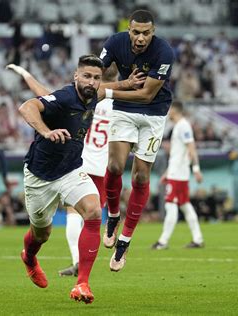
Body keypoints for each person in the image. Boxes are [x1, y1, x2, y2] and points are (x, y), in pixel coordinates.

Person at [17, 54, 132, 304]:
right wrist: (47, 132)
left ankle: (82, 283)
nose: (91, 82)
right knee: (42, 234)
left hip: (71, 170)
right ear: (76, 76)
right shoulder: (64, 97)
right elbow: (27, 106)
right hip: (40, 176)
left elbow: (113, 87)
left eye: (96, 78)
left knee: (92, 212)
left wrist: (129, 82)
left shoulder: (96, 94)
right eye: (87, 76)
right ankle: (29, 257)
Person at [99, 9, 175, 272]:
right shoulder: (115, 43)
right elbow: (96, 73)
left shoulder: (164, 52)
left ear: (152, 32)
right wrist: (107, 85)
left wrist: (108, 93)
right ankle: (112, 215)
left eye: (146, 33)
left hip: (154, 114)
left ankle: (124, 242)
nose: (140, 38)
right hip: (124, 111)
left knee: (141, 179)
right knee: (114, 167)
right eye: (135, 32)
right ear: (128, 29)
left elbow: (145, 96)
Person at [151, 101, 204, 250]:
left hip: (178, 174)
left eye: (170, 110)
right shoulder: (179, 127)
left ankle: (163, 241)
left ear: (176, 110)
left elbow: (191, 147)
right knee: (185, 206)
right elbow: (178, 153)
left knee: (170, 205)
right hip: (177, 172)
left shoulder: (183, 126)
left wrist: (196, 169)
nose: (168, 112)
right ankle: (198, 238)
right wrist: (167, 172)